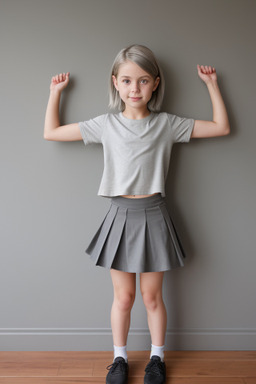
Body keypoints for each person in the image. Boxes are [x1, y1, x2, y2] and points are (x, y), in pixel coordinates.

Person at [44, 44, 230, 384]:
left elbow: (220, 127)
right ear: (115, 83)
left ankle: (157, 358)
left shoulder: (167, 124)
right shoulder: (106, 125)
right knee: (124, 297)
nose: (135, 89)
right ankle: (119, 358)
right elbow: (51, 133)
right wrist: (55, 93)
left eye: (143, 81)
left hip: (155, 213)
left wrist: (212, 85)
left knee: (151, 296)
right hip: (119, 215)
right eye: (127, 81)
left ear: (155, 84)